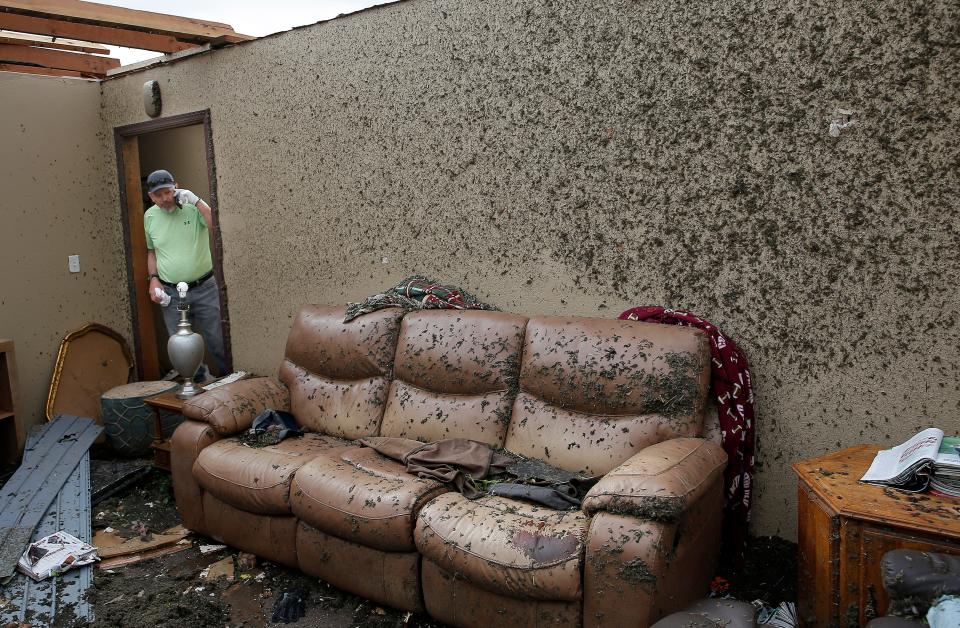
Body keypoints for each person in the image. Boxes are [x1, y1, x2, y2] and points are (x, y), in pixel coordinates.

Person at [144, 169, 227, 377]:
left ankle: (230, 381)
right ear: (151, 196)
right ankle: (198, 383)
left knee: (218, 340)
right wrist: (153, 280)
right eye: (158, 195)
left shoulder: (192, 208)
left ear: (176, 188)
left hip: (204, 288)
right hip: (172, 295)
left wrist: (196, 200)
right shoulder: (149, 216)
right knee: (180, 346)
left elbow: (216, 226)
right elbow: (152, 252)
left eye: (168, 192)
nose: (164, 199)